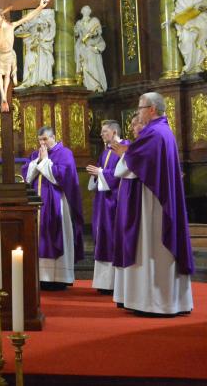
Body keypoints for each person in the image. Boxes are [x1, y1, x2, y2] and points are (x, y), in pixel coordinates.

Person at [110, 92, 194, 316]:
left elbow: (132, 165)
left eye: (140, 108)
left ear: (152, 109)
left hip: (153, 202)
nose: (137, 112)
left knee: (150, 247)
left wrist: (124, 154)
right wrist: (127, 153)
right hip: (155, 197)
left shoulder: (154, 133)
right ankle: (160, 301)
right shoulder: (162, 131)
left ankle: (154, 302)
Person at [21, 126, 84, 289]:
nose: (42, 143)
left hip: (57, 202)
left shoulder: (65, 153)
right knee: (39, 237)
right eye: (39, 140)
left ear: (53, 137)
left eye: (45, 139)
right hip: (37, 203)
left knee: (57, 234)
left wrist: (44, 161)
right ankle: (41, 277)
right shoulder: (35, 154)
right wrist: (38, 161)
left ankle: (59, 278)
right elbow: (26, 175)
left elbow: (62, 176)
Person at [86, 120, 127, 294]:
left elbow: (121, 174)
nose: (101, 134)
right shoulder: (105, 152)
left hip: (116, 201)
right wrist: (97, 174)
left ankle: (115, 283)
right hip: (103, 202)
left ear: (114, 132)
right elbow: (102, 172)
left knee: (112, 238)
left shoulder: (124, 148)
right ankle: (104, 283)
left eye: (104, 131)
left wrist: (101, 173)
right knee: (102, 236)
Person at [112, 112, 145, 309]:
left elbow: (123, 170)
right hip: (127, 197)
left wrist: (124, 155)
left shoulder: (142, 144)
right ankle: (125, 293)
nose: (132, 128)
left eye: (135, 124)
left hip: (136, 199)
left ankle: (132, 294)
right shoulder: (134, 145)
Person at [173, 0, 207, 74]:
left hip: (200, 21)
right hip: (186, 23)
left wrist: (198, 7)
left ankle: (199, 64)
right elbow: (178, 12)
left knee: (199, 36)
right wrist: (174, 18)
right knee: (186, 38)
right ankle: (190, 65)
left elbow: (206, 7)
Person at [16, 0, 55, 89]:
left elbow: (52, 29)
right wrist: (29, 35)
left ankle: (42, 80)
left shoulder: (47, 16)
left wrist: (45, 39)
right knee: (29, 60)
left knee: (43, 61)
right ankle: (29, 81)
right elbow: (18, 32)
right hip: (32, 45)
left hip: (43, 45)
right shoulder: (29, 20)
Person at [73, 5, 108, 92]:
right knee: (83, 64)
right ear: (82, 12)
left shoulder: (94, 20)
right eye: (84, 10)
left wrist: (93, 34)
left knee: (92, 64)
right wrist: (77, 30)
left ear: (90, 11)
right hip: (82, 46)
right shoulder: (79, 23)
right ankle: (86, 84)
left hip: (92, 46)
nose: (86, 12)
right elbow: (75, 34)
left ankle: (95, 84)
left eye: (87, 10)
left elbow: (99, 31)